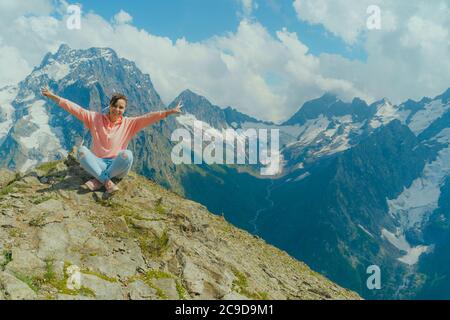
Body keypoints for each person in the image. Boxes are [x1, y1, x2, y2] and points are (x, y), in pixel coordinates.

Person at [41, 86, 182, 194]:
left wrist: (169, 112)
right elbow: (74, 108)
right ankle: (106, 181)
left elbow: (149, 117)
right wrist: (53, 96)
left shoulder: (130, 123)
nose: (117, 109)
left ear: (124, 109)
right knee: (82, 151)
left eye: (121, 107)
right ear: (110, 105)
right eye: (115, 106)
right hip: (98, 162)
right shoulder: (95, 118)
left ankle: (98, 180)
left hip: (117, 165)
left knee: (128, 155)